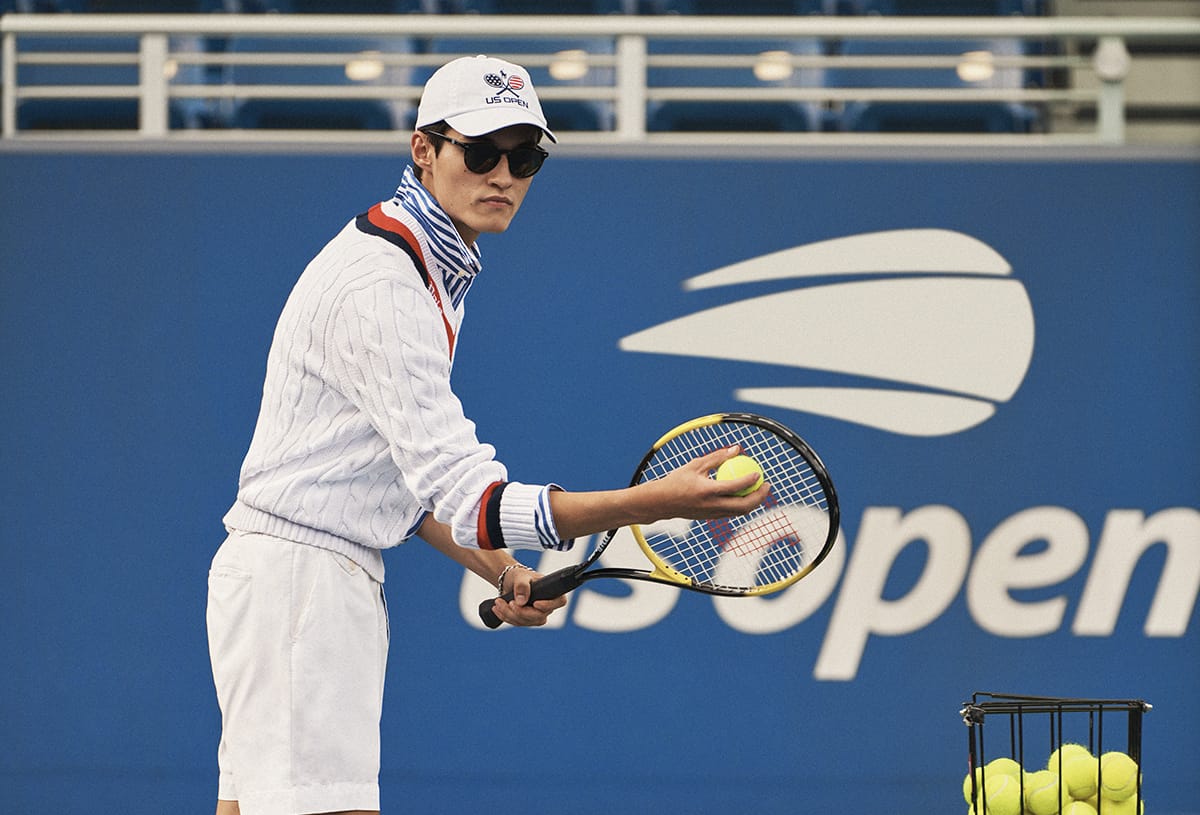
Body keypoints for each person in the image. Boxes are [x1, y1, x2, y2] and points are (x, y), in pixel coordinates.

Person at [206, 54, 766, 815]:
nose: (504, 174)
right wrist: (651, 502)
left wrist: (504, 571)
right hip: (301, 588)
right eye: (482, 151)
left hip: (290, 581)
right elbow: (470, 493)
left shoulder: (423, 265)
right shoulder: (385, 286)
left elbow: (408, 488)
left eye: (525, 157)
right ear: (423, 150)